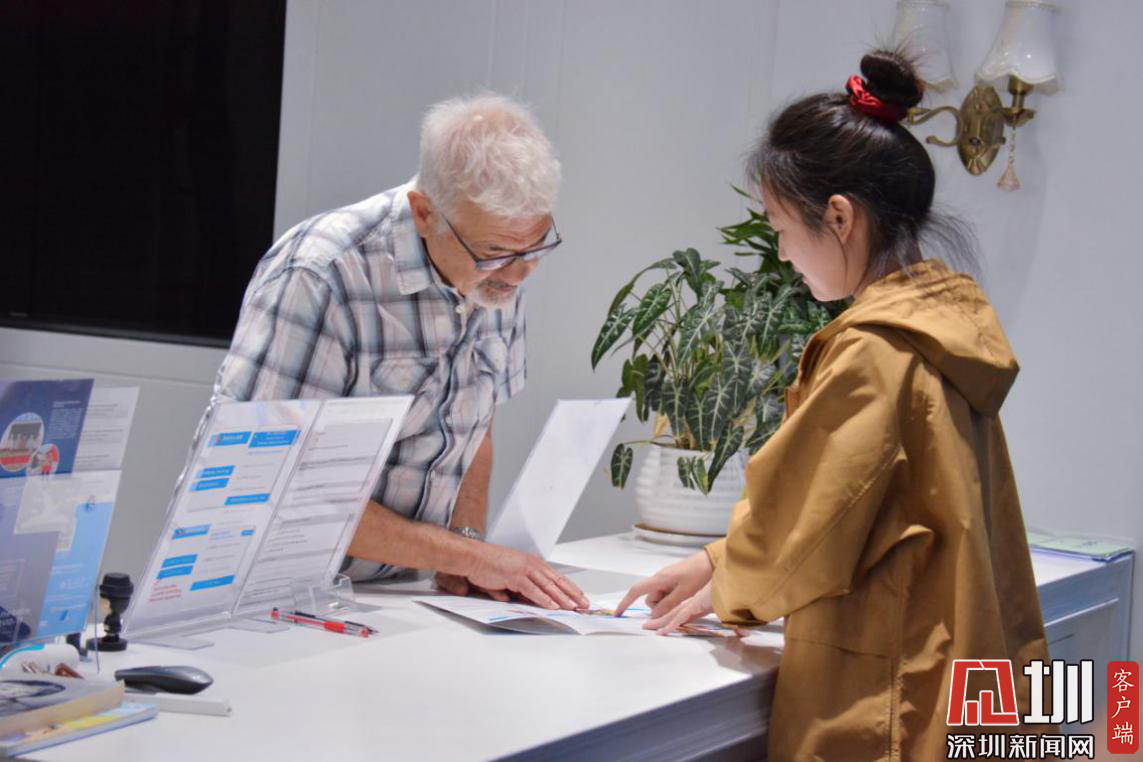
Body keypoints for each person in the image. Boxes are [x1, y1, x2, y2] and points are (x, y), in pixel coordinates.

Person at [617, 50, 1053, 759]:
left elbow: (806, 531)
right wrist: (719, 561)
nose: (784, 253)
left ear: (840, 217)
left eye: (780, 227)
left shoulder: (874, 349)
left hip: (890, 692)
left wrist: (731, 582)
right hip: (955, 663)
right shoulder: (943, 331)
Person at [210, 93, 587, 611]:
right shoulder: (323, 274)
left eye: (537, 246)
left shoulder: (496, 275)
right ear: (425, 214)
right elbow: (266, 478)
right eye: (496, 252)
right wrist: (467, 557)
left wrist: (465, 547)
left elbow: (475, 425)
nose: (520, 274)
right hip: (263, 596)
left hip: (390, 596)